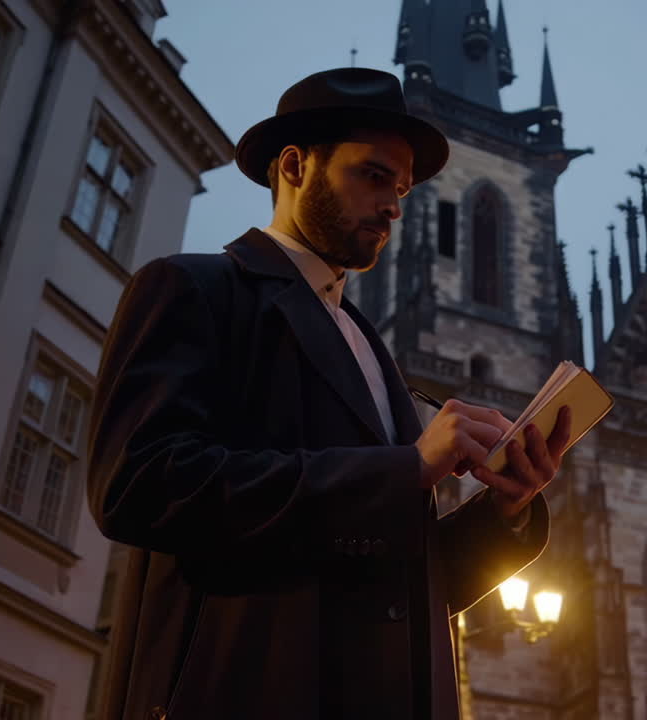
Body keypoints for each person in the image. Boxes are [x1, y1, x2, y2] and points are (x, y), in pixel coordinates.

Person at [86, 67, 572, 720]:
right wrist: (404, 469)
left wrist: (507, 514)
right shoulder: (194, 288)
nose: (396, 205)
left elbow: (403, 578)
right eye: (374, 176)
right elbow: (137, 485)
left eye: (402, 188)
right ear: (294, 167)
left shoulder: (374, 350)